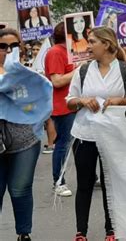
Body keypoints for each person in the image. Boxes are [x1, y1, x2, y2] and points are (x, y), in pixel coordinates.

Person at [66, 26, 126, 241]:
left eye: (92, 41)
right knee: (85, 183)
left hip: (114, 136)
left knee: (111, 184)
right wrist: (81, 101)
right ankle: (81, 231)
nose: (88, 46)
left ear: (106, 44)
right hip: (84, 134)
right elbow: (69, 102)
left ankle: (111, 229)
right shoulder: (83, 70)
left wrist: (119, 101)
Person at [0, 28, 52, 241]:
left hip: (26, 140)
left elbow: (42, 101)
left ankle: (24, 233)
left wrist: (49, 125)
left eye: (13, 46)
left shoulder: (30, 75)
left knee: (20, 189)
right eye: (3, 46)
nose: (8, 50)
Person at [44, 22, 76, 197]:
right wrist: (79, 70)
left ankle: (90, 176)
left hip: (75, 103)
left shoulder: (72, 52)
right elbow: (56, 81)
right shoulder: (56, 52)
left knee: (79, 144)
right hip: (63, 106)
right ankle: (58, 181)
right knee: (63, 144)